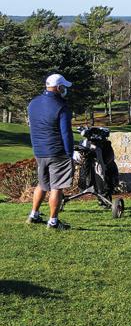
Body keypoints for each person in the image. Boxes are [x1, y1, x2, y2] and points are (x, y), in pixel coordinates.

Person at [26, 74, 75, 230]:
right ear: (59, 88)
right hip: (57, 152)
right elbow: (66, 133)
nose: (65, 90)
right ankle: (53, 221)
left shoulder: (32, 104)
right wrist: (69, 154)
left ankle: (34, 214)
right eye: (64, 87)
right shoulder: (61, 107)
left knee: (42, 184)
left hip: (39, 151)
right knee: (56, 187)